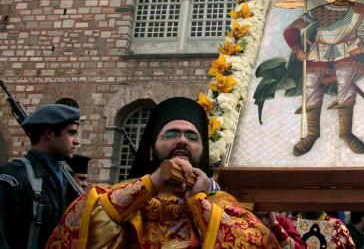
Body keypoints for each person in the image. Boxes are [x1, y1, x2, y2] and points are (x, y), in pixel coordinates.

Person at [46, 97, 278, 248]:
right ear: (150, 151)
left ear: (202, 152)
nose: (182, 141)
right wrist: (153, 184)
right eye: (170, 134)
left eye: (191, 136)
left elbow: (257, 242)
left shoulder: (223, 203)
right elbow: (83, 224)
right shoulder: (119, 197)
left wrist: (199, 202)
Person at [283, 0, 364, 156]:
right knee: (311, 85)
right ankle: (312, 134)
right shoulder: (319, 11)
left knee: (345, 84)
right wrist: (297, 49)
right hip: (320, 50)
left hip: (348, 49)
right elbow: (290, 30)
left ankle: (346, 134)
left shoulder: (360, 9)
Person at [0, 103, 81, 249]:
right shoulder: (14, 177)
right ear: (49, 133)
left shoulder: (65, 180)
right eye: (71, 133)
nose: (77, 141)